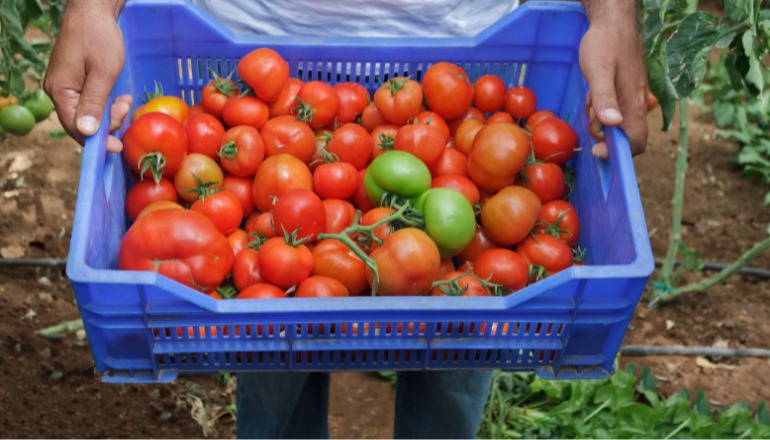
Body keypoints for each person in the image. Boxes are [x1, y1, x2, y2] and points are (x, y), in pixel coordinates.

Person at [44, 0, 648, 438]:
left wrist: (613, 14)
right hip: (251, 33)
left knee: (456, 353)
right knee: (274, 357)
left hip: (467, 31)